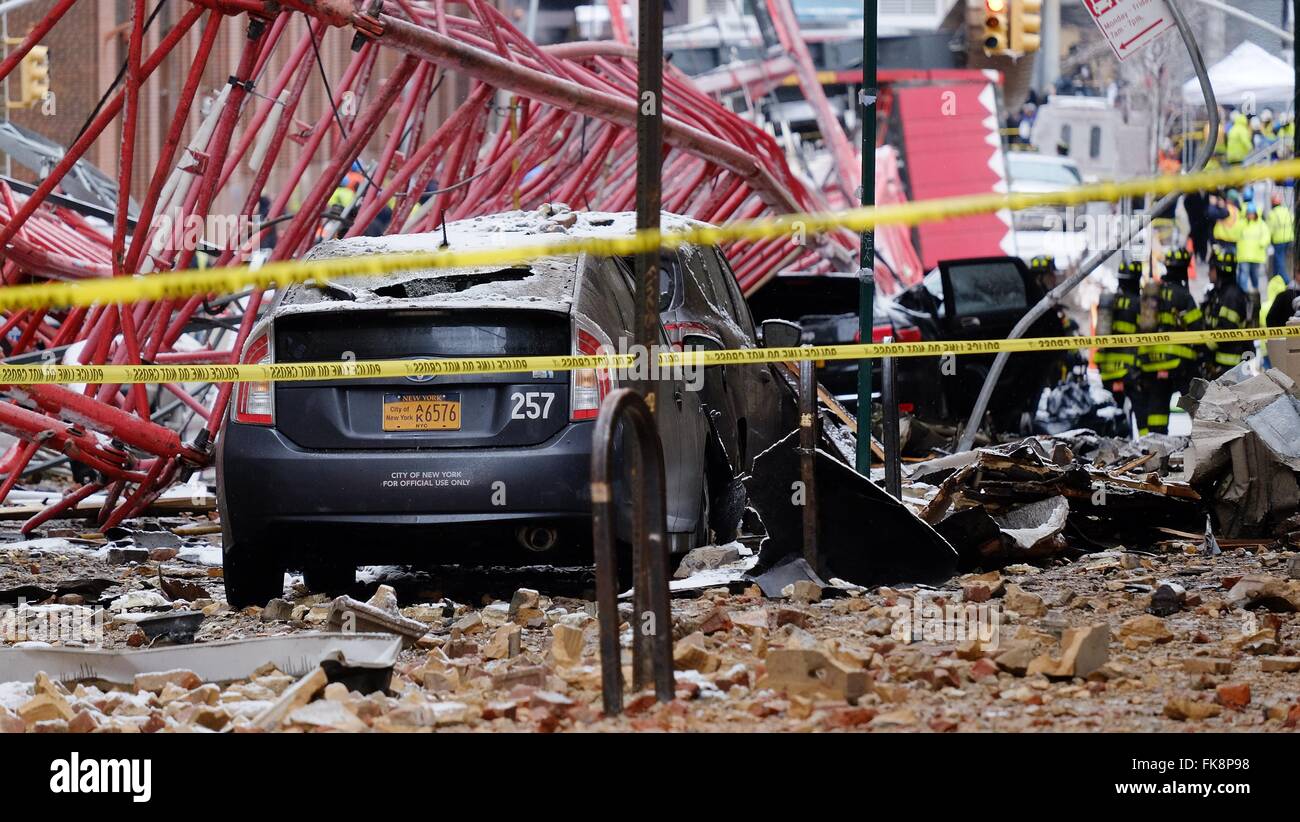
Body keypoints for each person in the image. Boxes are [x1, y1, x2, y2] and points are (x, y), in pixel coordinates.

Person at [1137, 249, 1201, 434]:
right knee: (1196, 406)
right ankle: (1204, 440)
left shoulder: (1153, 295)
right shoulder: (1183, 296)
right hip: (1180, 364)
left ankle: (1155, 451)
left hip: (1152, 364)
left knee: (1157, 411)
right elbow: (1198, 330)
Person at [1096, 260, 1144, 433]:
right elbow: (1144, 335)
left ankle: (1114, 446)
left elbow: (1100, 339)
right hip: (1130, 371)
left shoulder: (1110, 302)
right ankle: (1142, 449)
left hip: (1108, 371)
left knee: (1112, 415)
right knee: (1141, 414)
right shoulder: (1138, 304)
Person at [1201, 251, 1253, 379]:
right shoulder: (1219, 294)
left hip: (1230, 366)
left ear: (1219, 271)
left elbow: (1225, 330)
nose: (1209, 273)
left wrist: (1203, 348)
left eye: (1211, 268)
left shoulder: (1231, 296)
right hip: (1220, 365)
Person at [1237, 202, 1273, 294]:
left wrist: (1262, 243)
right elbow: (1235, 234)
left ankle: (1255, 291)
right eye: (1249, 213)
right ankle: (1243, 294)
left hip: (1256, 255)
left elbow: (1266, 236)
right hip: (1244, 255)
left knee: (1254, 275)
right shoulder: (1241, 223)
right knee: (1244, 275)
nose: (1250, 215)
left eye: (1252, 213)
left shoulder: (1261, 224)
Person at [1267, 191, 1294, 283]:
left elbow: (1270, 230)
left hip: (1279, 241)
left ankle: (1287, 282)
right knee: (1279, 261)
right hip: (1290, 239)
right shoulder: (1286, 210)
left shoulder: (1272, 214)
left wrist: (1267, 241)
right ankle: (1275, 279)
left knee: (1280, 262)